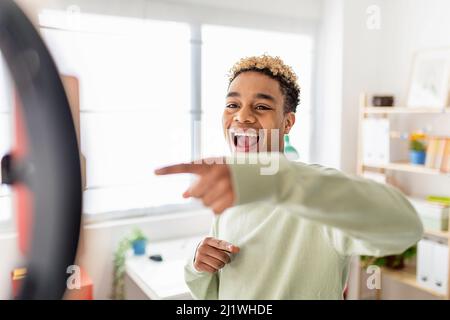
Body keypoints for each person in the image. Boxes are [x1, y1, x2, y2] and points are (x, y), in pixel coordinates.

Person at [155, 55, 423, 299]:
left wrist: (275, 179)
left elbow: (406, 227)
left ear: (288, 123)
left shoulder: (317, 195)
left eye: (261, 106)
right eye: (232, 104)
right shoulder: (232, 195)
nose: (242, 116)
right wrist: (198, 265)